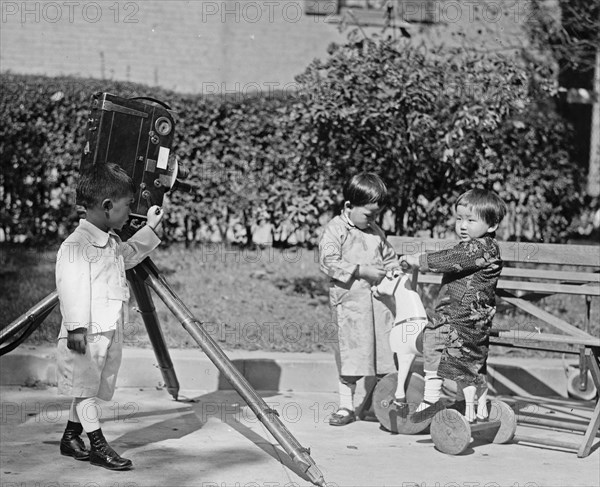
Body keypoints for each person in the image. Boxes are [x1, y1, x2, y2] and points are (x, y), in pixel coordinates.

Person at [56, 163, 165, 470]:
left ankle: (70, 436)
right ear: (107, 207)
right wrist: (76, 330)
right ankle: (98, 446)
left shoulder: (111, 241)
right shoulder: (76, 246)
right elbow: (71, 289)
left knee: (87, 388)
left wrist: (151, 228)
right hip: (84, 335)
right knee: (86, 390)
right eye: (127, 207)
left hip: (106, 332)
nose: (129, 213)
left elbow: (129, 255)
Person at [401, 188, 507, 423]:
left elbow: (451, 259)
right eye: (459, 218)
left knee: (437, 342)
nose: (462, 225)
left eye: (470, 220)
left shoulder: (481, 248)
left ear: (491, 226)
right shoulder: (479, 247)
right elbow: (454, 256)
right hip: (463, 318)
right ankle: (466, 402)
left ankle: (432, 399)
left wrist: (417, 260)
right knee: (461, 358)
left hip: (461, 319)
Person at [318, 173, 401, 426]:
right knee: (351, 354)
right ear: (348, 207)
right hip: (351, 307)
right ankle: (346, 406)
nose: (373, 220)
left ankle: (385, 402)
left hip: (378, 306)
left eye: (376, 215)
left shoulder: (375, 232)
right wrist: (360, 270)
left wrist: (395, 269)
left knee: (383, 353)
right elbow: (328, 261)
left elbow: (389, 258)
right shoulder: (336, 230)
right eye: (368, 214)